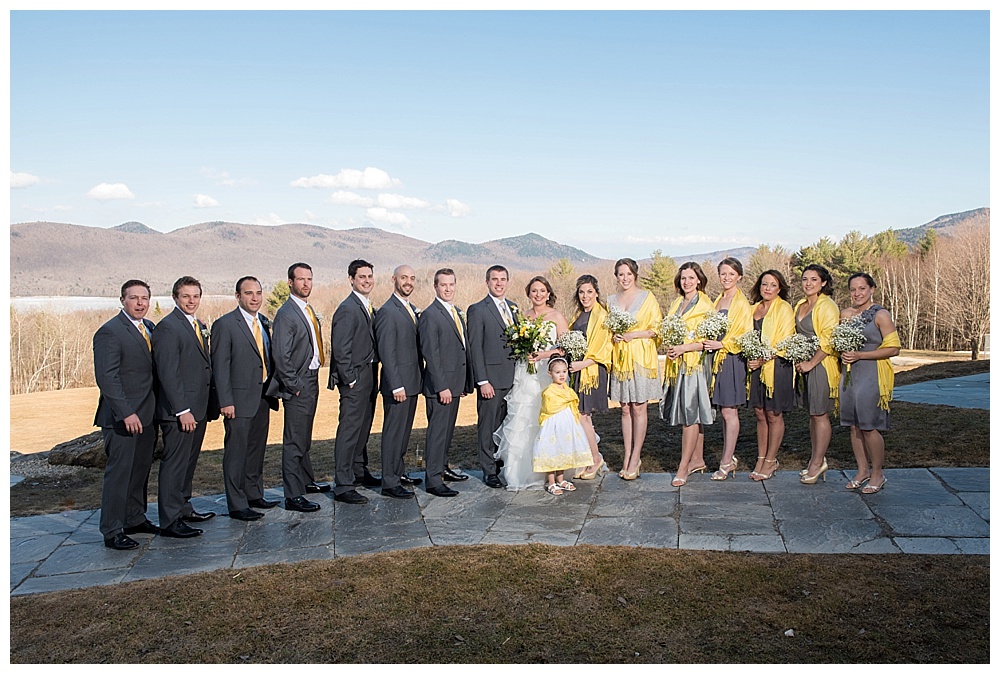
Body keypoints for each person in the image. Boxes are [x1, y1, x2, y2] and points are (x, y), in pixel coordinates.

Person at [93, 280, 159, 550]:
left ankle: (134, 517)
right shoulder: (110, 332)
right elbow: (107, 378)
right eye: (134, 298)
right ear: (122, 300)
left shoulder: (150, 328)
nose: (140, 303)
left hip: (147, 416)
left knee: (139, 472)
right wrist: (126, 413)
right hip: (123, 419)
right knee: (119, 475)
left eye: (144, 298)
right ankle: (112, 529)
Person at [210, 276, 280, 521]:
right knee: (236, 452)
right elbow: (220, 367)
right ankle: (237, 504)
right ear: (238, 296)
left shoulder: (262, 322)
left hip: (262, 396)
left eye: (258, 293)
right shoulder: (226, 325)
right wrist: (225, 401)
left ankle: (253, 493)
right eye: (249, 293)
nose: (255, 298)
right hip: (237, 401)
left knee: (255, 450)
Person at [151, 276, 215, 538]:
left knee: (188, 463)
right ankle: (170, 519)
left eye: (196, 296)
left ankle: (184, 507)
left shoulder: (195, 325)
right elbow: (168, 373)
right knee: (175, 464)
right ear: (175, 298)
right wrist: (182, 410)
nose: (192, 301)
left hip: (197, 408)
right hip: (180, 411)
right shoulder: (168, 327)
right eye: (186, 296)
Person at [493, 276, 568, 491]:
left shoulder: (556, 316)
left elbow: (564, 349)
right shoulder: (522, 316)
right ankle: (520, 471)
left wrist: (544, 354)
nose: (538, 294)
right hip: (525, 375)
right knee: (523, 420)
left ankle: (553, 472)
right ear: (528, 293)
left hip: (547, 375)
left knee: (547, 421)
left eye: (542, 291)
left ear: (548, 293)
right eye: (534, 291)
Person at [267, 262, 326, 512]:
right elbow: (281, 355)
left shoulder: (306, 309)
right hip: (299, 382)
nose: (306, 284)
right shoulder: (286, 313)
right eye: (301, 279)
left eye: (309, 279)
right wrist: (294, 385)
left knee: (305, 437)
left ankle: (305, 480)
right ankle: (293, 495)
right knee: (293, 440)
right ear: (290, 282)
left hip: (312, 379)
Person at [839, 272, 900, 494]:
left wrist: (861, 356)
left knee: (868, 425)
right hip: (849, 374)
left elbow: (894, 348)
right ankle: (862, 470)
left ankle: (878, 473)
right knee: (853, 425)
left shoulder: (881, 315)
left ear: (872, 289)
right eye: (853, 289)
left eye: (862, 288)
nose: (857, 293)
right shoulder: (845, 314)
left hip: (871, 373)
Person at [418, 268, 473, 497]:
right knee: (438, 433)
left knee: (447, 432)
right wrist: (442, 386)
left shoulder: (455, 312)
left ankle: (442, 468)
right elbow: (430, 353)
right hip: (440, 387)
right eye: (444, 285)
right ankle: (432, 480)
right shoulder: (431, 314)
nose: (448, 289)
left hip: (454, 384)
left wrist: (461, 383)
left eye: (451, 284)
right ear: (435, 287)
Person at [329, 259, 380, 506]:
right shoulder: (348, 309)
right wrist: (349, 379)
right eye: (362, 277)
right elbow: (341, 347)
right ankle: (343, 484)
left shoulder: (367, 306)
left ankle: (359, 470)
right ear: (351, 279)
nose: (367, 281)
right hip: (355, 379)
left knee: (363, 427)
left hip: (370, 376)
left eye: (370, 276)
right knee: (349, 430)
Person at [608, 258, 663, 480]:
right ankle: (627, 453)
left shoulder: (647, 298)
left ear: (635, 275)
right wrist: (614, 335)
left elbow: (657, 328)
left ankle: (636, 456)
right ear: (616, 276)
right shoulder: (610, 300)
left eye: (629, 274)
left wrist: (634, 335)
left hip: (641, 357)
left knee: (639, 407)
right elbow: (607, 327)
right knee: (624, 408)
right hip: (621, 360)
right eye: (621, 274)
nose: (625, 278)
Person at [662, 262, 715, 487]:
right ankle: (697, 459)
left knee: (690, 415)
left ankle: (683, 467)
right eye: (684, 278)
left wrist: (684, 348)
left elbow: (708, 341)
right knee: (693, 414)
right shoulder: (676, 303)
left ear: (699, 280)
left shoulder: (705, 305)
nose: (687, 282)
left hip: (694, 365)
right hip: (678, 364)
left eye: (691, 278)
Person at [466, 265, 519, 488]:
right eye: (495, 279)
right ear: (487, 282)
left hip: (514, 379)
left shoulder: (514, 308)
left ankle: (501, 464)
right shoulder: (478, 309)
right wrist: (482, 380)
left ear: (508, 281)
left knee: (506, 426)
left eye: (503, 279)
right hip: (491, 380)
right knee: (488, 426)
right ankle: (488, 470)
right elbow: (475, 347)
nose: (499, 283)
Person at [374, 265, 424, 499]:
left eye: (412, 278)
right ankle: (389, 482)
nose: (408, 282)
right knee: (393, 433)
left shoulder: (410, 309)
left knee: (403, 433)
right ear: (393, 279)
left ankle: (398, 472)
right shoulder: (387, 311)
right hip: (399, 385)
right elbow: (387, 351)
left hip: (413, 382)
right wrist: (396, 384)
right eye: (404, 278)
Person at [701, 258, 752, 481]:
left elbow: (745, 335)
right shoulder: (719, 299)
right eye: (723, 274)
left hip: (731, 359)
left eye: (731, 274)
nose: (727, 278)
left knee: (730, 412)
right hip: (717, 358)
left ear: (739, 276)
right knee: (723, 412)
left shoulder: (741, 303)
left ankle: (726, 462)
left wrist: (722, 344)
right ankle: (727, 457)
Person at [745, 270, 796, 481]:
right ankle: (761, 456)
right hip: (756, 367)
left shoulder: (784, 309)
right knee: (759, 413)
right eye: (764, 284)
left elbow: (785, 341)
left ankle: (771, 459)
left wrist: (763, 359)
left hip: (776, 366)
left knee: (774, 414)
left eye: (773, 285)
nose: (767, 288)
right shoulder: (752, 309)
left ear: (780, 288)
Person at [794, 264, 841, 485]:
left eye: (814, 279)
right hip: (804, 364)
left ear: (823, 283)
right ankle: (815, 459)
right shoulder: (800, 305)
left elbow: (829, 339)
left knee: (820, 414)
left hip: (820, 365)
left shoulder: (827, 306)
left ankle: (818, 462)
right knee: (812, 414)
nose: (808, 283)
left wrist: (811, 363)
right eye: (805, 279)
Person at [568, 274, 613, 479]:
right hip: (577, 370)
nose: (585, 296)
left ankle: (596, 459)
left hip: (591, 371)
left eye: (589, 292)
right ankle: (586, 458)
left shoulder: (601, 315)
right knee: (579, 416)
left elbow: (605, 349)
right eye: (581, 292)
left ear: (596, 293)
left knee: (583, 416)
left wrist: (583, 364)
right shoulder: (578, 315)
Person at [533, 358, 593, 495]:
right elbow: (548, 408)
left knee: (563, 448)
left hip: (566, 424)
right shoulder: (549, 391)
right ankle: (551, 481)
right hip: (553, 424)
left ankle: (560, 478)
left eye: (564, 372)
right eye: (557, 372)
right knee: (552, 450)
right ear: (550, 374)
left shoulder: (568, 390)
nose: (561, 375)